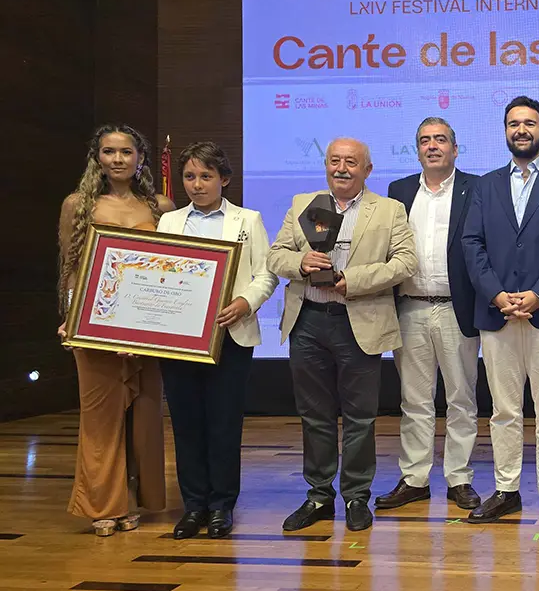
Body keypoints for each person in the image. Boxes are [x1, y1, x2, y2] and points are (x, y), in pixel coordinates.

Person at [267, 138, 417, 533]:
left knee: (360, 418)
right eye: (335, 161)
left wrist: (354, 280)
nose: (342, 169)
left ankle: (356, 496)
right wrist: (299, 262)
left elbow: (405, 262)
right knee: (314, 416)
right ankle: (318, 495)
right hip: (309, 322)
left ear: (367, 170)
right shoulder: (303, 204)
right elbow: (275, 255)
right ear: (326, 167)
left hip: (359, 321)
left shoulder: (389, 210)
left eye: (351, 162)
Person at [461, 95, 539, 527]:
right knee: (504, 409)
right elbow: (471, 244)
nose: (521, 130)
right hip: (497, 313)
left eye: (530, 123)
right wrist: (498, 295)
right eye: (513, 123)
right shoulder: (485, 185)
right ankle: (507, 489)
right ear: (505, 132)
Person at [57, 125, 175, 536]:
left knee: (143, 418)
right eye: (109, 151)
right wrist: (73, 319)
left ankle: (132, 501)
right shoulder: (78, 204)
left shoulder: (160, 205)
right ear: (98, 157)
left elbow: (171, 270)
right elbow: (71, 269)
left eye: (127, 151)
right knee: (100, 419)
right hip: (95, 327)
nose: (118, 159)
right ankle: (102, 505)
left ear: (140, 157)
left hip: (147, 328)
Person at [156, 142, 278, 539]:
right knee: (187, 424)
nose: (196, 184)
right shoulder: (169, 222)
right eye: (189, 176)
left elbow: (267, 274)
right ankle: (193, 506)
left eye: (206, 176)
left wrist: (245, 302)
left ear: (224, 179)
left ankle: (222, 506)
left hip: (231, 337)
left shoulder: (249, 219)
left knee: (224, 425)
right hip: (179, 339)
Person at [375, 117, 482, 514]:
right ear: (417, 149)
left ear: (455, 148)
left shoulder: (478, 188)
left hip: (458, 308)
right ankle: (415, 478)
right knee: (414, 399)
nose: (433, 146)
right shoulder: (398, 191)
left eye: (441, 140)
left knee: (461, 397)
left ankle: (459, 478)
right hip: (410, 308)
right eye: (425, 140)